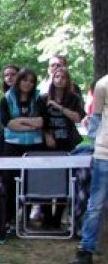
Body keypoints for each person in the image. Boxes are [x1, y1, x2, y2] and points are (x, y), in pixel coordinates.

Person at [69, 73, 108, 264]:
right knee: (96, 205)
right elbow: (95, 118)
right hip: (104, 155)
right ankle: (86, 249)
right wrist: (97, 142)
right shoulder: (103, 84)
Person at [39, 67, 85, 229]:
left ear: (67, 80)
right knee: (45, 180)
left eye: (63, 77)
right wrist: (46, 134)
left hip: (67, 143)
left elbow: (77, 117)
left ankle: (57, 218)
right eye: (57, 76)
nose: (60, 79)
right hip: (47, 144)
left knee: (64, 180)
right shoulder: (44, 98)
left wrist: (58, 107)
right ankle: (46, 218)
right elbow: (40, 119)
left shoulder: (73, 98)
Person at [0, 68, 44, 227]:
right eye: (25, 80)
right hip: (12, 146)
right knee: (10, 183)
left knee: (30, 182)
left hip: (34, 146)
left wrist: (21, 121)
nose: (28, 84)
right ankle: (8, 218)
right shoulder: (7, 98)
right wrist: (30, 125)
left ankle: (26, 218)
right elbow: (8, 123)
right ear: (19, 81)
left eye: (31, 81)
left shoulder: (39, 98)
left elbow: (41, 122)